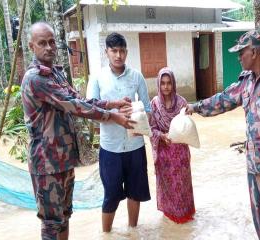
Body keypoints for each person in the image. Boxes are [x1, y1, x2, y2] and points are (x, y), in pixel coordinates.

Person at [186, 30, 260, 240]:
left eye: (241, 52)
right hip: (253, 168)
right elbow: (222, 100)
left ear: (254, 52)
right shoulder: (246, 82)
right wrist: (194, 107)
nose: (238, 57)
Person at [21, 22, 135, 240]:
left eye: (52, 42)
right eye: (42, 43)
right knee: (52, 224)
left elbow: (79, 99)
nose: (49, 47)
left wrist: (111, 104)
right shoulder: (36, 78)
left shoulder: (56, 74)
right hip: (46, 164)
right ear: (31, 47)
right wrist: (113, 117)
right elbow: (74, 106)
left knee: (65, 215)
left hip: (64, 160)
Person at [87, 32, 152, 232]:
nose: (118, 55)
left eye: (122, 51)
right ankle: (106, 234)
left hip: (135, 146)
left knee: (135, 192)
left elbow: (147, 109)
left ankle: (133, 231)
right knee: (111, 195)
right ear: (106, 52)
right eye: (114, 51)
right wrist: (115, 112)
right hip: (110, 148)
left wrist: (133, 109)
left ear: (126, 52)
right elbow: (90, 110)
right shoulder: (97, 77)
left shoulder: (136, 76)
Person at [149, 67, 195, 224]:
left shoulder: (182, 102)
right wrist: (161, 136)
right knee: (167, 187)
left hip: (180, 152)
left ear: (173, 83)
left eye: (169, 83)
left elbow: (187, 127)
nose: (166, 87)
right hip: (164, 153)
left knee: (182, 186)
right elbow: (151, 128)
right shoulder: (154, 104)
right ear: (159, 84)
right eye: (162, 83)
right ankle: (170, 217)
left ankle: (184, 216)